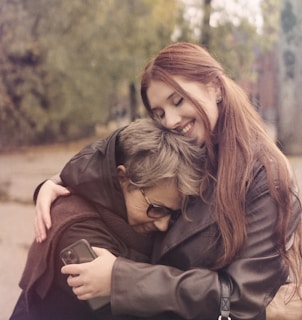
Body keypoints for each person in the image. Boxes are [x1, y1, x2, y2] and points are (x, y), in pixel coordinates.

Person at [33, 42, 302, 320]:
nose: (170, 120)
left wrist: (121, 279)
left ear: (215, 87)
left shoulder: (264, 179)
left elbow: (242, 297)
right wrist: (56, 182)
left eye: (178, 100)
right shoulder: (184, 148)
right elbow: (108, 156)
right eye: (158, 113)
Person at [10, 118, 206, 320]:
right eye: (156, 209)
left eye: (172, 214)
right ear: (122, 177)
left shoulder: (121, 211)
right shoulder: (77, 233)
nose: (164, 225)